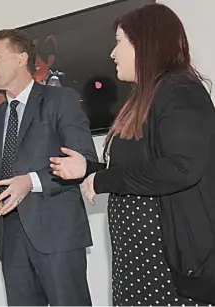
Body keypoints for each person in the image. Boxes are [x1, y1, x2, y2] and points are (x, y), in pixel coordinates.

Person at [49, 4, 215, 306]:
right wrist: (89, 169)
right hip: (138, 263)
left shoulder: (181, 91)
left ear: (145, 43)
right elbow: (142, 169)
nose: (112, 53)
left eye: (119, 41)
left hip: (166, 266)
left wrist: (104, 179)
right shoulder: (147, 97)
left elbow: (181, 168)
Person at [0, 29, 97, 306]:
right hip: (11, 240)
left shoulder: (61, 100)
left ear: (20, 59)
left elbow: (84, 160)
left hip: (58, 237)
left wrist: (31, 181)